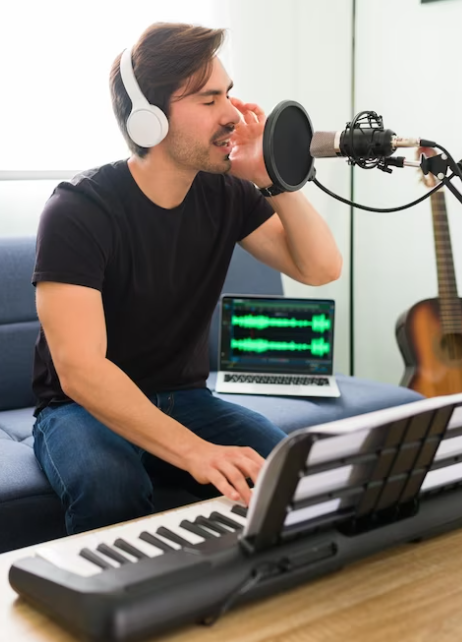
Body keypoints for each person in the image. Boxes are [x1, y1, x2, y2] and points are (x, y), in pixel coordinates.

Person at [31, 22, 342, 535]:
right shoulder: (78, 209)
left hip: (186, 397)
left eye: (230, 94)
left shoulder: (226, 193)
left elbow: (320, 268)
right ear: (149, 121)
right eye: (208, 100)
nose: (233, 115)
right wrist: (196, 453)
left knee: (287, 470)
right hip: (80, 408)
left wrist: (271, 176)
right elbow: (80, 371)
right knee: (111, 485)